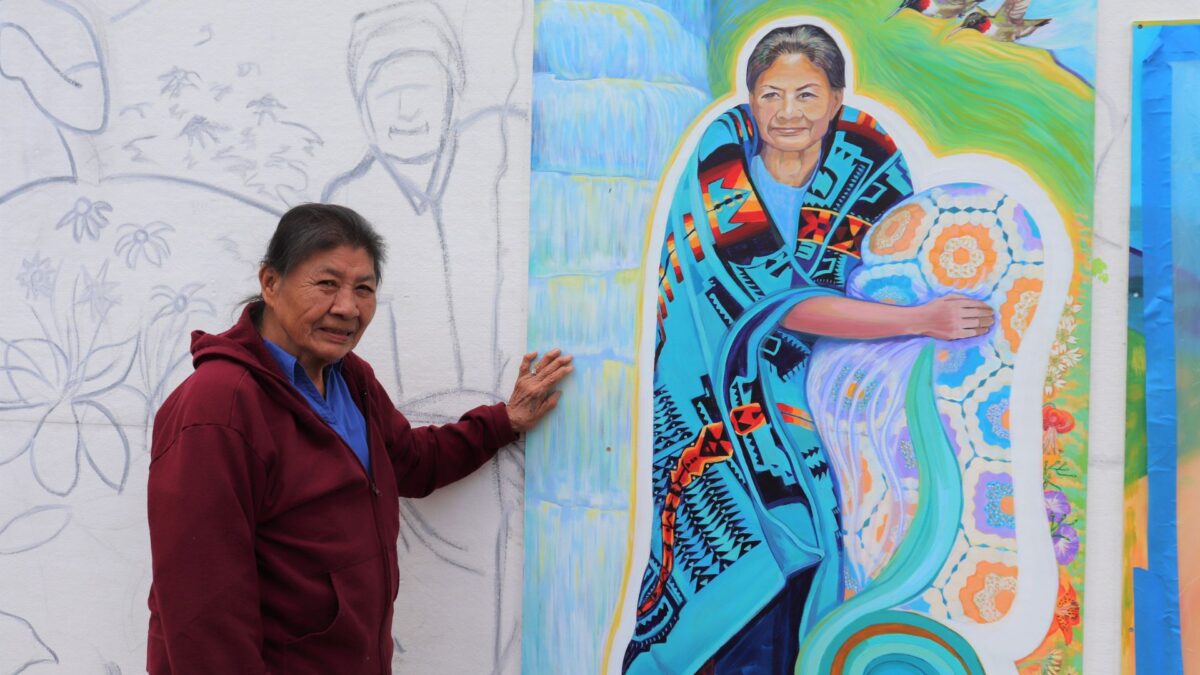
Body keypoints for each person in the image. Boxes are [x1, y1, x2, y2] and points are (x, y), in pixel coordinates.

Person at [622, 25, 992, 673]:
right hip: (720, 434)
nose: (788, 112)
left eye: (806, 94)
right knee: (734, 589)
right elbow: (785, 307)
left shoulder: (870, 176)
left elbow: (902, 264)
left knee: (813, 599)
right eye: (771, 95)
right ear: (751, 100)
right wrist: (920, 318)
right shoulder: (719, 182)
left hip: (833, 432)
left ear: (837, 99)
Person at [145, 203, 571, 673]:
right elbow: (203, 609)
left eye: (364, 289)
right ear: (271, 282)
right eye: (326, 284)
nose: (347, 308)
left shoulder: (349, 378)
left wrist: (504, 421)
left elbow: (411, 462)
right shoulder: (219, 407)